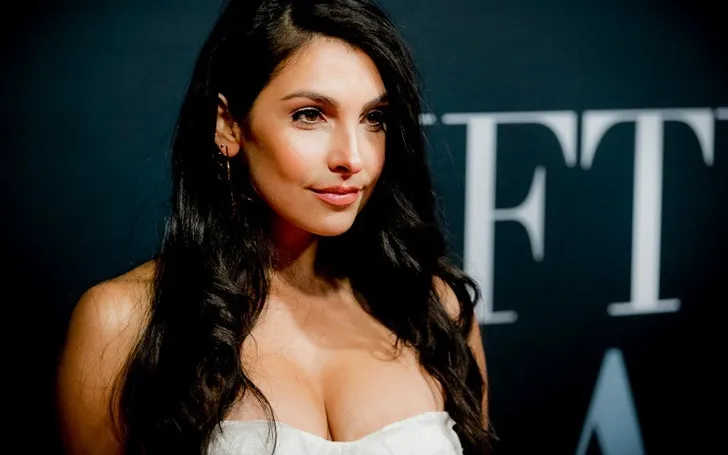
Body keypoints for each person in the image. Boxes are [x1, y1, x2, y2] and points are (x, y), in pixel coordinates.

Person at [56, 0, 492, 454]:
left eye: (373, 118)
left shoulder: (435, 308)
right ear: (228, 125)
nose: (353, 157)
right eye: (310, 115)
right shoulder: (124, 322)